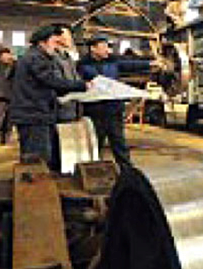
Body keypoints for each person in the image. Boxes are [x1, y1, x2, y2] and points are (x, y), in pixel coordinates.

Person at [9, 25, 89, 170]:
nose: (56, 46)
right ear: (42, 42)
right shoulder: (36, 58)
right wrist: (82, 86)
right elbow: (51, 81)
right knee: (38, 158)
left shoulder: (35, 56)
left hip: (35, 114)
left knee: (38, 156)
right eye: (54, 42)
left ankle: (33, 181)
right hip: (33, 114)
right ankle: (33, 183)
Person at [77, 36, 158, 170]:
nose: (107, 50)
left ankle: (127, 171)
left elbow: (131, 65)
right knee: (95, 144)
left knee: (119, 143)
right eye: (104, 47)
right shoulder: (82, 65)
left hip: (113, 110)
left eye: (108, 47)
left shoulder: (113, 61)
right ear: (93, 48)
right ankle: (93, 171)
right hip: (94, 111)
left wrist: (150, 64)